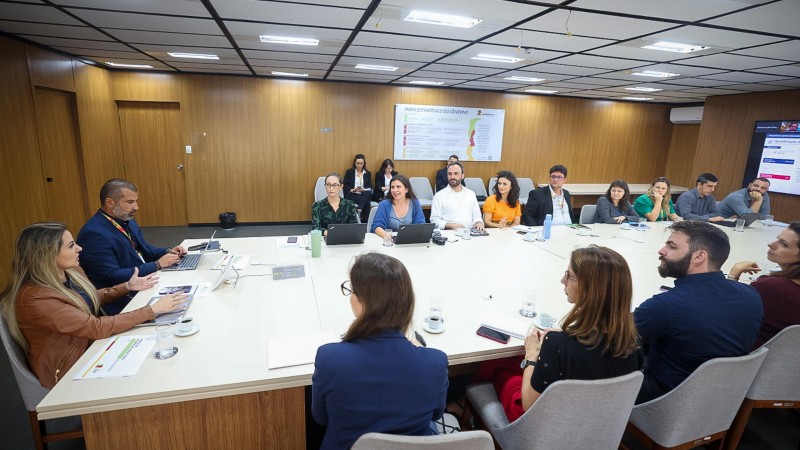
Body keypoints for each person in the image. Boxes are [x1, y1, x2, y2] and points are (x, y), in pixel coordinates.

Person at [0, 222, 186, 388]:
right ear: (47, 255)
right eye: (72, 245)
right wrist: (151, 310)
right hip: (68, 368)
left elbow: (87, 299)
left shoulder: (69, 272)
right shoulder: (35, 298)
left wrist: (127, 286)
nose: (79, 248)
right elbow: (94, 327)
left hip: (88, 345)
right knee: (155, 368)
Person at [475, 246, 643, 422]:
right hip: (599, 426)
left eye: (569, 276)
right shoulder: (634, 341)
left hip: (544, 429)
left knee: (498, 368)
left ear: (590, 289)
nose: (563, 280)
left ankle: (461, 401)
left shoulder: (558, 345)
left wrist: (532, 356)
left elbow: (527, 404)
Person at [311, 252, 448, 449]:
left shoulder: (329, 358)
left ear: (363, 302)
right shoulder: (434, 363)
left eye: (351, 290)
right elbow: (436, 414)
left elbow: (320, 418)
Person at [634, 221, 763, 404]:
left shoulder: (667, 305)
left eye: (671, 246)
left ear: (699, 257)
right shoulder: (751, 295)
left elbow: (614, 338)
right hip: (721, 401)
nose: (661, 251)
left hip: (666, 401)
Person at [76, 178, 188, 315]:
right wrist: (157, 265)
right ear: (110, 203)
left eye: (136, 201)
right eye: (130, 202)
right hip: (124, 298)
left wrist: (167, 251)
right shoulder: (93, 233)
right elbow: (111, 276)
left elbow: (144, 250)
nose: (136, 207)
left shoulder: (126, 220)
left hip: (144, 281)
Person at [727, 222, 800, 348]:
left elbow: (723, 313)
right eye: (777, 238)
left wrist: (733, 276)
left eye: (784, 244)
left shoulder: (772, 287)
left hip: (746, 358)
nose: (771, 244)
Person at [430, 162, 484, 231]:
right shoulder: (439, 196)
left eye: (456, 173)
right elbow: (434, 221)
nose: (452, 177)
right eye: (449, 174)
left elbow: (477, 216)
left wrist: (479, 223)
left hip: (469, 234)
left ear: (462, 176)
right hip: (449, 234)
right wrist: (450, 225)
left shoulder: (470, 194)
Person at [343, 154, 373, 223]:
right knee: (367, 201)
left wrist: (363, 189)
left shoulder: (367, 173)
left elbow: (370, 186)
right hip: (353, 195)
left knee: (367, 193)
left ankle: (359, 209)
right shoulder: (349, 172)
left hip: (363, 194)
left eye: (361, 163)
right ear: (355, 163)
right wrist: (352, 189)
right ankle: (365, 221)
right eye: (358, 163)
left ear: (364, 163)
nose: (359, 165)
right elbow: (345, 185)